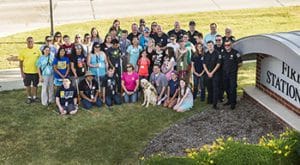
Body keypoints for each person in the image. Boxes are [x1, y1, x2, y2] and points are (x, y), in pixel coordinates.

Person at [19, 36, 41, 104]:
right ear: (26, 42)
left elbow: (41, 61)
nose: (30, 42)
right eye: (29, 41)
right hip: (27, 72)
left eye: (31, 41)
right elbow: (21, 63)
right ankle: (29, 97)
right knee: (27, 85)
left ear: (33, 42)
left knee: (35, 85)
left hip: (35, 72)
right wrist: (22, 72)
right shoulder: (23, 51)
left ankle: (34, 97)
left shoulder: (37, 50)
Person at [222, 40, 242, 110]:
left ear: (231, 45)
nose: (227, 47)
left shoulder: (235, 53)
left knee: (232, 88)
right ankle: (229, 100)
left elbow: (240, 63)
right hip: (225, 74)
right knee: (226, 87)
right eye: (225, 45)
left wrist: (234, 69)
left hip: (232, 74)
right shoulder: (223, 53)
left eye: (228, 45)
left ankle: (233, 103)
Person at [203, 41, 222, 110]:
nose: (210, 47)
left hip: (215, 73)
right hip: (208, 73)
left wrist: (212, 73)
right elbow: (204, 64)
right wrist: (208, 72)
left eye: (211, 45)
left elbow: (218, 64)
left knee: (215, 89)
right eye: (208, 45)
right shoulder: (206, 54)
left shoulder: (217, 53)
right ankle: (210, 100)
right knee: (209, 87)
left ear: (213, 45)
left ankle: (215, 104)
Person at [214, 34, 225, 102]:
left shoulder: (225, 47)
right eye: (216, 40)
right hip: (215, 69)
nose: (218, 41)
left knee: (222, 84)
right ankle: (215, 97)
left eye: (219, 40)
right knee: (215, 83)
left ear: (222, 40)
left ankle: (221, 97)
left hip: (223, 69)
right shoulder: (213, 47)